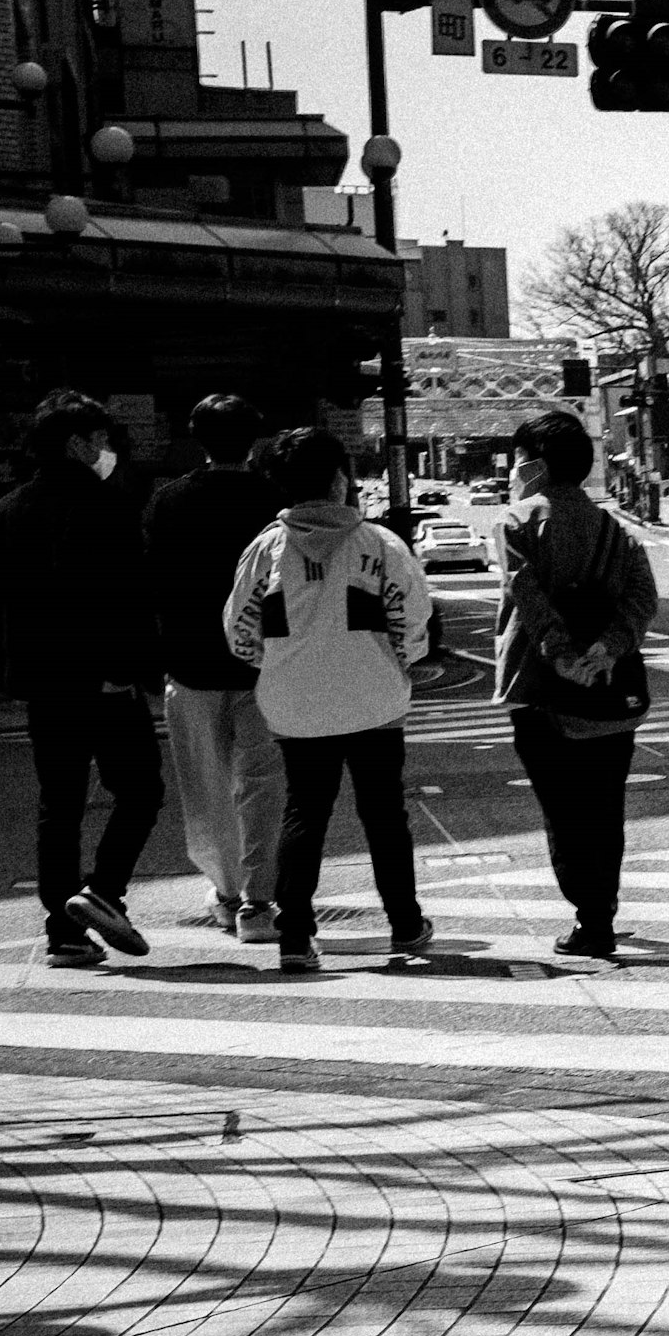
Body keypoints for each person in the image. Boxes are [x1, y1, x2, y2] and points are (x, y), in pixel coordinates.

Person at [226, 429, 438, 972]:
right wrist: (393, 662)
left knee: (305, 811)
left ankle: (295, 934)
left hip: (296, 703)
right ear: (341, 480)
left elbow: (239, 633)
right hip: (373, 699)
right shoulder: (381, 545)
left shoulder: (266, 549)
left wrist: (279, 665)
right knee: (384, 811)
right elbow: (414, 625)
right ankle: (406, 923)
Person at [0, 393, 167, 967]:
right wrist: (134, 669)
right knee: (141, 789)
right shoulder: (105, 506)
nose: (104, 450)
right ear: (75, 445)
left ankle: (62, 934)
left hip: (44, 680)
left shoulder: (8, 508)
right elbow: (127, 599)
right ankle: (104, 891)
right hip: (103, 680)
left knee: (58, 804)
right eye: (98, 440)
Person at [497, 408, 661, 958]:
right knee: (603, 802)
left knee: (562, 806)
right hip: (610, 685)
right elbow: (643, 600)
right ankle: (601, 913)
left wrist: (564, 656)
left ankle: (588, 914)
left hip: (541, 687)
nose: (515, 471)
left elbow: (529, 596)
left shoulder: (518, 521)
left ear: (536, 466)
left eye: (519, 462)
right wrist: (604, 650)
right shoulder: (617, 529)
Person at [140, 394, 289, 943]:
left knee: (205, 788)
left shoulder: (167, 501)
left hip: (190, 664)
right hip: (263, 667)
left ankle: (226, 892)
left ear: (196, 439)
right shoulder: (276, 502)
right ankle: (259, 903)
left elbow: (151, 583)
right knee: (264, 785)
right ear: (253, 441)